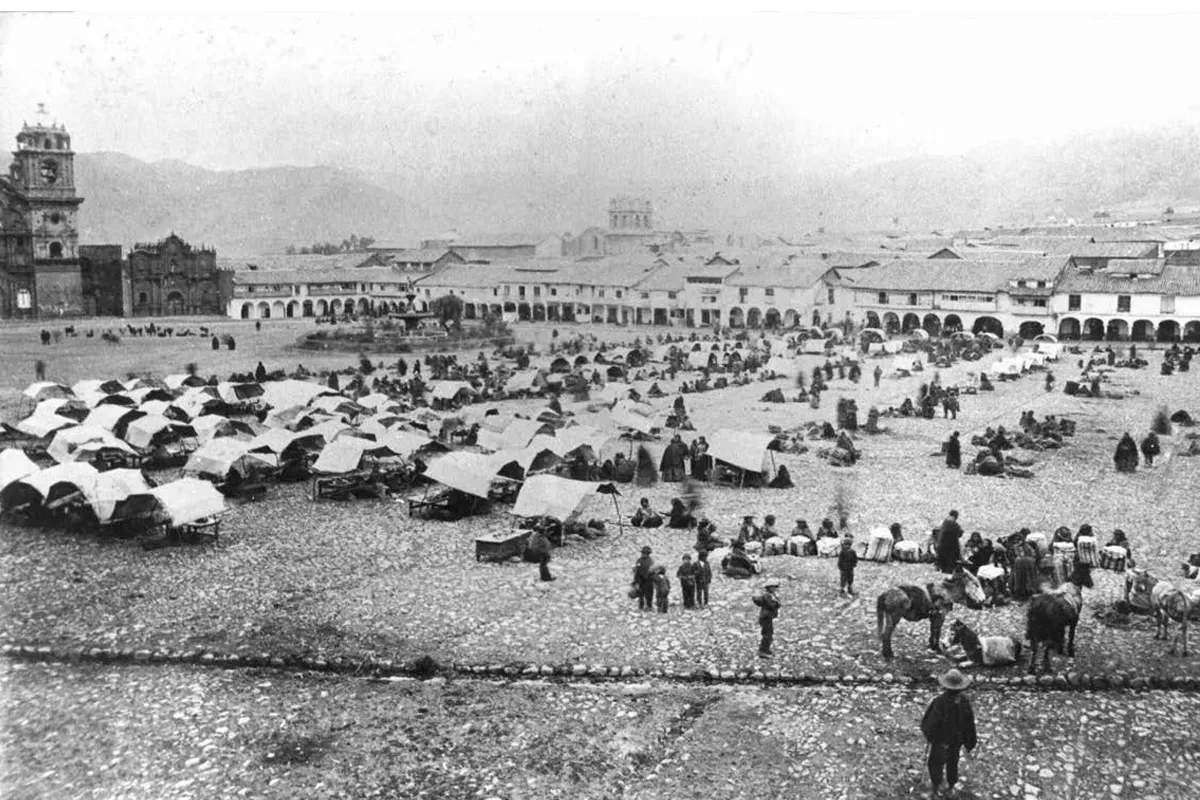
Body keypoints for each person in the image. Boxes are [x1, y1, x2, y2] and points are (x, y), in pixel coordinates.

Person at [921, 668, 978, 799]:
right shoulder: (965, 702)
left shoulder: (939, 702)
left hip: (941, 741)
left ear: (946, 687)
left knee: (935, 763)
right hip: (956, 742)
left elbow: (931, 722)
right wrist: (970, 742)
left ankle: (936, 787)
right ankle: (951, 786)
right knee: (953, 763)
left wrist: (929, 734)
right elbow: (970, 724)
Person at [752, 582, 781, 657]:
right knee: (767, 634)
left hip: (767, 617)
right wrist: (777, 603)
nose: (775, 588)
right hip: (766, 617)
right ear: (769, 587)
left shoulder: (770, 595)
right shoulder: (767, 596)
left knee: (769, 633)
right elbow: (771, 605)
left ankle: (766, 649)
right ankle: (762, 651)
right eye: (774, 587)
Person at [632, 546, 655, 610]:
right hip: (640, 579)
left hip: (648, 580)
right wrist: (636, 580)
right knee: (640, 593)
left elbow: (652, 570)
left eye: (645, 553)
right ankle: (641, 605)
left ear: (648, 554)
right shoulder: (639, 560)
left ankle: (649, 606)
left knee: (649, 594)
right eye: (642, 553)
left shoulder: (650, 561)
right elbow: (637, 570)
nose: (643, 554)